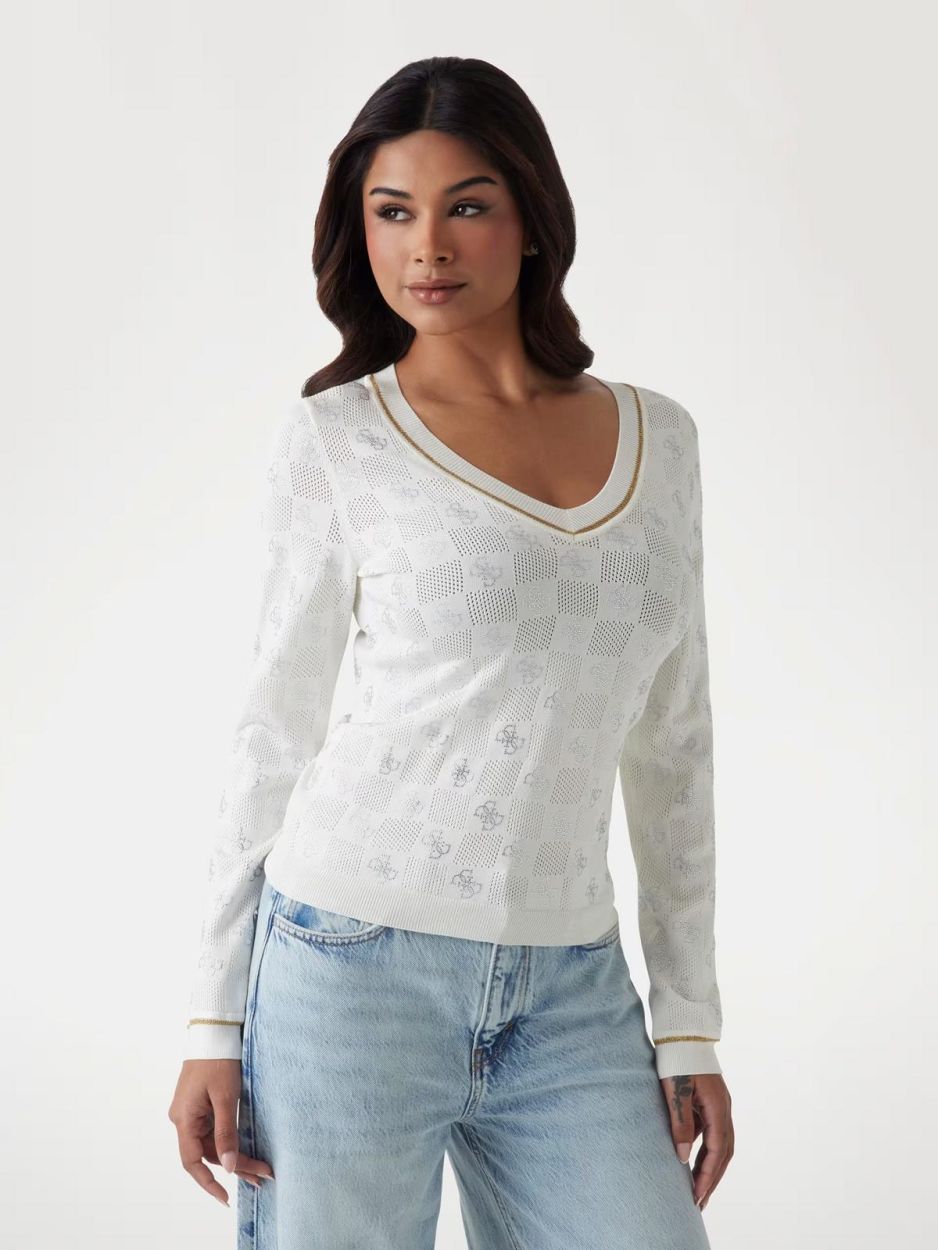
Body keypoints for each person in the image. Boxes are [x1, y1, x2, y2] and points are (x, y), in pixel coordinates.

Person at [167, 54, 735, 1249]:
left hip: (573, 986)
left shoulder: (661, 440)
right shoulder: (338, 440)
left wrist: (686, 1017)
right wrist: (212, 1019)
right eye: (392, 211)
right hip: (346, 968)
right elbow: (273, 729)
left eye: (465, 205)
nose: (425, 245)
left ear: (531, 219)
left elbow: (674, 738)